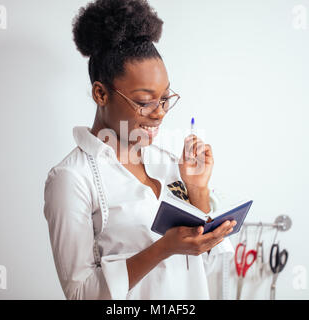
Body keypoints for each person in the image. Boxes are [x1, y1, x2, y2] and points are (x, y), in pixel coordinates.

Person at [43, 0, 236, 300]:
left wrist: (198, 191)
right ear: (101, 93)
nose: (159, 113)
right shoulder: (72, 178)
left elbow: (207, 269)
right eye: (145, 101)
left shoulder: (171, 163)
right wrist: (162, 249)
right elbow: (79, 293)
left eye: (165, 98)